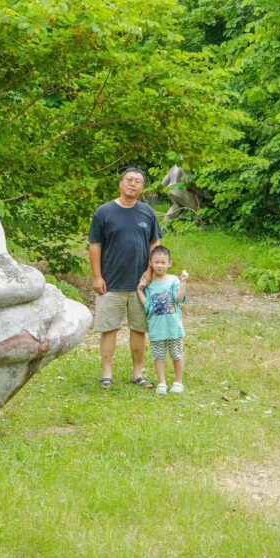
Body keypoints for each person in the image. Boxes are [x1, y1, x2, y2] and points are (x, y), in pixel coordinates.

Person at [88, 168, 161, 388]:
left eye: (138, 181)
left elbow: (155, 244)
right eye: (129, 180)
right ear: (120, 183)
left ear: (142, 188)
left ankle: (137, 373)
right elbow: (94, 245)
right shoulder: (104, 212)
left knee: (139, 329)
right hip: (110, 283)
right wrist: (97, 276)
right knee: (109, 328)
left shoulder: (147, 212)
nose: (133, 184)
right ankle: (107, 375)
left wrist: (150, 273)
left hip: (140, 285)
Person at [137, 246, 188, 395]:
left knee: (176, 354)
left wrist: (184, 282)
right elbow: (147, 306)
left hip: (173, 328)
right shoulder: (149, 285)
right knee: (158, 356)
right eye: (156, 262)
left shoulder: (173, 280)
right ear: (151, 263)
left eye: (163, 262)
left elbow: (179, 299)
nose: (160, 265)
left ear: (169, 263)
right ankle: (162, 383)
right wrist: (139, 290)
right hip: (156, 329)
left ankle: (178, 382)